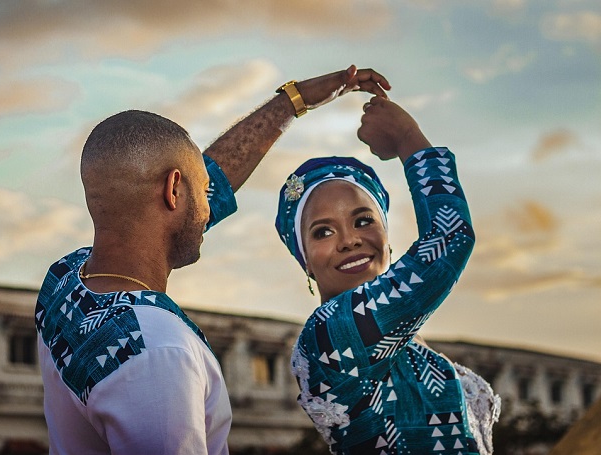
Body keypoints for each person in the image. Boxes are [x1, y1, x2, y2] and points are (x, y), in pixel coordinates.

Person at [35, 65, 393, 454]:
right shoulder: (159, 351)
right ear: (174, 190)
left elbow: (208, 183)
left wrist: (293, 102)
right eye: (203, 191)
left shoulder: (65, 280)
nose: (211, 204)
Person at [275, 96, 501, 454]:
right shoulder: (332, 335)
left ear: (386, 237)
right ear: (305, 261)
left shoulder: (403, 338)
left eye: (364, 221)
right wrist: (407, 137)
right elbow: (449, 237)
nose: (350, 240)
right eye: (323, 231)